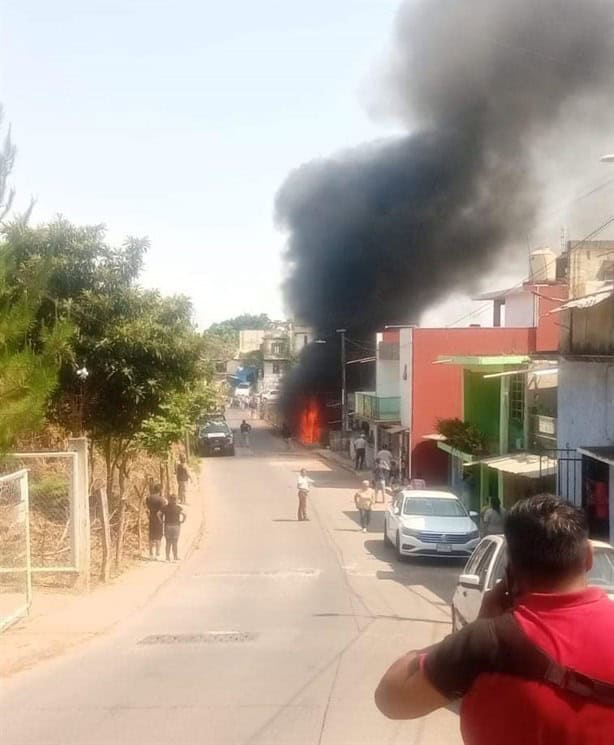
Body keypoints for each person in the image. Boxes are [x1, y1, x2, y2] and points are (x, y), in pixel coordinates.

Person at [375, 494, 614, 744]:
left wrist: (475, 629)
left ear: (510, 570)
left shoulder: (484, 643)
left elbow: (390, 698)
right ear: (588, 557)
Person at [159, 494, 186, 562]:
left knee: (168, 542)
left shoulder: (165, 507)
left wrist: (161, 521)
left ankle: (167, 557)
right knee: (175, 542)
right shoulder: (178, 508)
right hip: (176, 526)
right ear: (175, 500)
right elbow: (185, 514)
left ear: (169, 500)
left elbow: (158, 514)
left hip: (167, 526)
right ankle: (175, 557)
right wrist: (182, 521)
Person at [145, 482, 165, 559]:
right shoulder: (161, 500)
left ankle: (150, 553)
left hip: (151, 518)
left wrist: (148, 516)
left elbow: (147, 509)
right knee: (158, 537)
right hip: (159, 520)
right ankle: (157, 553)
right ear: (160, 490)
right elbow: (162, 511)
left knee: (151, 536)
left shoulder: (148, 498)